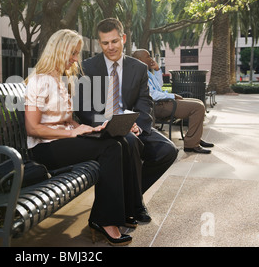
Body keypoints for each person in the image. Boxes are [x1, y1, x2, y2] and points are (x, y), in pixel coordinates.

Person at [24, 29, 138, 246]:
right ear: (59, 51)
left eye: (77, 53)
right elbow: (33, 128)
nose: (76, 59)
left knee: (118, 141)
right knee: (111, 148)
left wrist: (86, 128)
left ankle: (115, 213)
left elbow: (67, 121)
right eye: (73, 53)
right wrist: (71, 132)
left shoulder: (61, 80)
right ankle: (105, 220)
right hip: (44, 149)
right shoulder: (39, 81)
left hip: (63, 142)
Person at [76, 18, 179, 202]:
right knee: (129, 143)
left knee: (167, 150)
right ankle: (131, 205)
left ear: (123, 38)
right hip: (101, 127)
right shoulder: (87, 68)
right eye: (105, 43)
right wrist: (108, 123)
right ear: (99, 43)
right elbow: (84, 109)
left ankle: (132, 197)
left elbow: (144, 101)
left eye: (114, 41)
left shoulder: (138, 68)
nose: (110, 47)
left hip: (131, 124)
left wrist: (137, 125)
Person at [132, 49, 214, 154]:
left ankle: (195, 137)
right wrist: (172, 95)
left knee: (199, 102)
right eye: (148, 56)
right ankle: (191, 144)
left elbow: (159, 86)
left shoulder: (147, 72)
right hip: (157, 106)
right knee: (197, 108)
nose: (151, 59)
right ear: (140, 60)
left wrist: (157, 70)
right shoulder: (138, 73)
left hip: (164, 102)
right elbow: (152, 95)